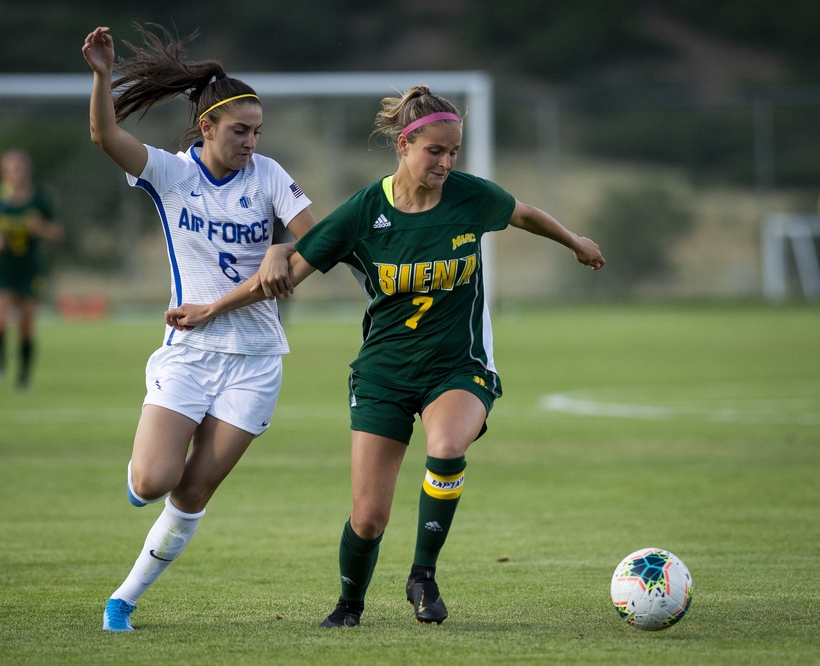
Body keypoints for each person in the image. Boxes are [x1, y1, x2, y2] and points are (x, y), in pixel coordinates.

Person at [165, 86, 605, 628]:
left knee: (446, 445)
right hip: (383, 373)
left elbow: (525, 214)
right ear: (404, 145)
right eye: (434, 152)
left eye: (453, 152)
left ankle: (423, 574)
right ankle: (349, 605)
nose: (446, 163)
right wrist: (213, 306)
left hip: (458, 365)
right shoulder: (363, 212)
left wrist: (574, 239)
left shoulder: (471, 197)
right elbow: (286, 273)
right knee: (369, 518)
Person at [81, 24, 317, 632]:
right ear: (207, 127)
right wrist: (105, 77)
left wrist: (279, 248)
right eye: (240, 130)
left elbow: (316, 241)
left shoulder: (268, 175)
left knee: (192, 494)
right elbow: (105, 135)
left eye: (257, 130)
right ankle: (145, 468)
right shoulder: (169, 173)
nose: (251, 141)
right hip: (189, 354)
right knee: (153, 481)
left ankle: (123, 599)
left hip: (258, 359)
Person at [0, 148, 63, 390]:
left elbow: (56, 233)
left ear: (27, 171)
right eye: (10, 168)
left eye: (20, 168)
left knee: (26, 327)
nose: (16, 173)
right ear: (3, 172)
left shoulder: (39, 198)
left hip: (29, 270)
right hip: (1, 270)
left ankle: (23, 376)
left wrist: (41, 228)